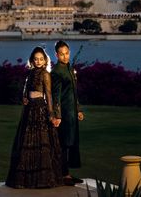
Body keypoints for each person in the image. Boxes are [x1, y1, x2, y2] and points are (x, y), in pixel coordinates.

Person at [5, 46, 63, 189]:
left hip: (40, 109)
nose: (38, 61)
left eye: (41, 59)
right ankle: (25, 180)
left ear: (45, 61)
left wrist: (51, 114)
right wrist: (24, 97)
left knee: (40, 142)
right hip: (29, 109)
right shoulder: (30, 73)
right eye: (36, 59)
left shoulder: (45, 74)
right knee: (26, 142)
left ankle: (42, 180)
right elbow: (26, 88)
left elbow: (48, 95)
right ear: (32, 60)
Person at [51, 40, 85, 186]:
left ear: (69, 52)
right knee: (63, 144)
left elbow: (74, 92)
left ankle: (67, 174)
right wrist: (57, 115)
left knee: (71, 143)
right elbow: (55, 95)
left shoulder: (69, 69)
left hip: (72, 114)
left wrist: (78, 109)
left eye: (66, 53)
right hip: (63, 114)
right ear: (56, 55)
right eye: (61, 54)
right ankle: (63, 175)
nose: (65, 57)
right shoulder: (57, 71)